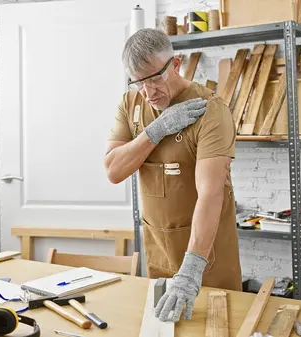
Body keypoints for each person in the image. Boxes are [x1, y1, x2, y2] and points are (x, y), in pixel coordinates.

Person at [103, 28, 242, 322]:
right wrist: (155, 132)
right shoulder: (130, 105)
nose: (149, 92)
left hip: (206, 260)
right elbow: (114, 170)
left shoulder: (211, 110)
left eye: (155, 78)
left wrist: (191, 270)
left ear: (175, 64)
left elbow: (211, 192)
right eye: (139, 82)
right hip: (158, 256)